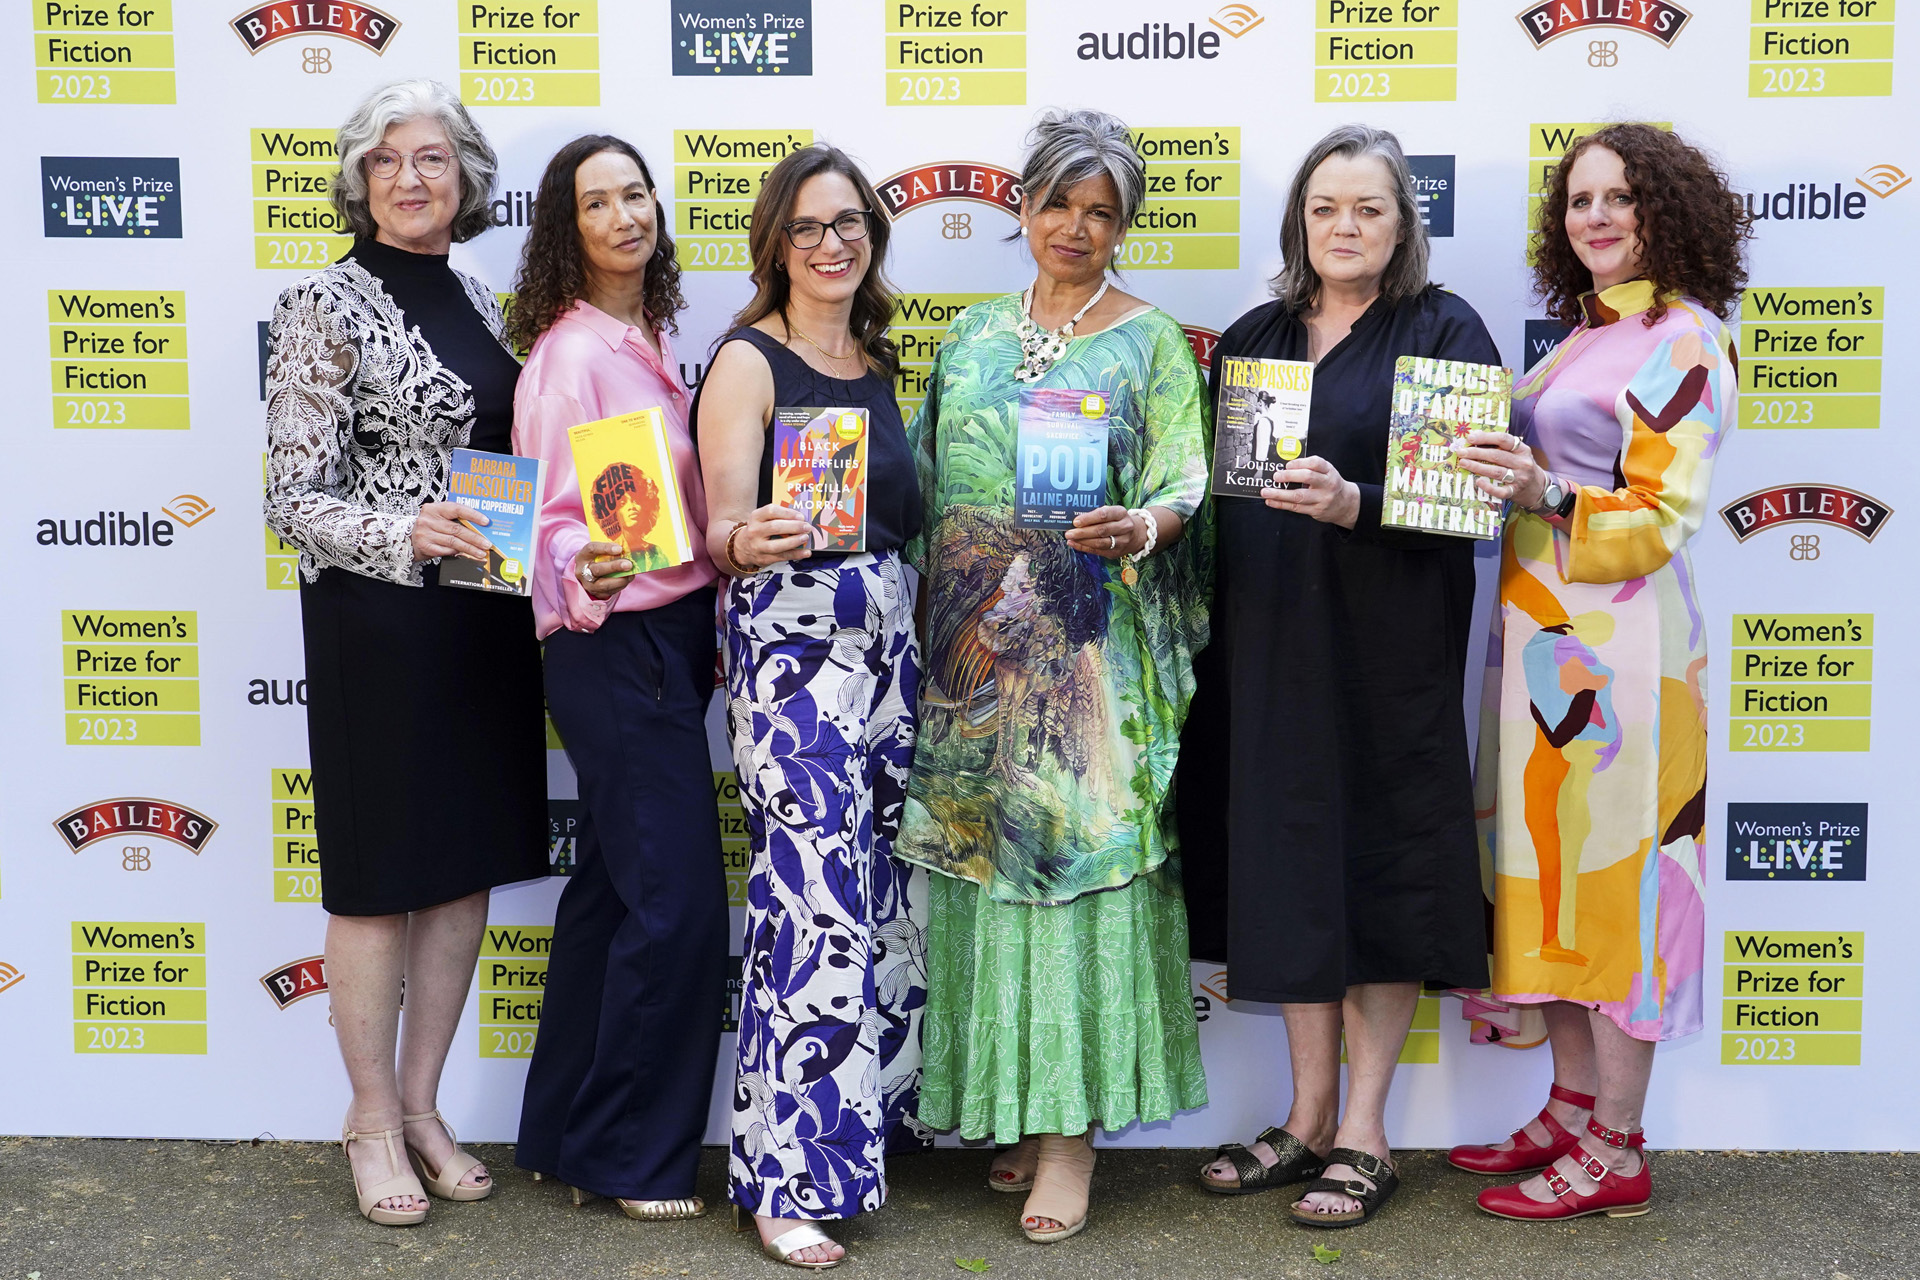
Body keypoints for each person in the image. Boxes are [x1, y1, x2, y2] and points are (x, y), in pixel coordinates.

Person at [896, 107, 1212, 1246]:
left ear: (1124, 223)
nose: (1076, 226)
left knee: (1074, 870)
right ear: (1021, 207)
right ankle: (1018, 1116)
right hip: (976, 652)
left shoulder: (1151, 341)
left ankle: (1071, 1139)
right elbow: (916, 478)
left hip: (1087, 650)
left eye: (1101, 209)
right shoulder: (971, 333)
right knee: (991, 872)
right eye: (1057, 202)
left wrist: (1149, 521)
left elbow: (1186, 474)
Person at [1180, 123, 1498, 1228]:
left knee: (1377, 866)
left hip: (1388, 651)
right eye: (1326, 208)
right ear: (1298, 221)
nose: (1345, 226)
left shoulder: (1446, 328)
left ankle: (1366, 1128)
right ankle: (1304, 1111)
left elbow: (1464, 505)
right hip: (1267, 645)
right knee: (1286, 867)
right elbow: (1220, 495)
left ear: (1403, 222)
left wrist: (1357, 501)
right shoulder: (1258, 334)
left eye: (1369, 208)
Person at [1446, 122, 1748, 1221]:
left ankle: (1618, 1141)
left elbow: (1665, 512)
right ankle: (1571, 1104)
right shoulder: (1583, 336)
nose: (1598, 217)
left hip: (1625, 651)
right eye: (1580, 201)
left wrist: (1543, 492)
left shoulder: (1688, 340)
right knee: (1550, 868)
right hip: (1539, 638)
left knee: (1616, 879)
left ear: (1669, 210)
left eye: (1621, 198)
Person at [262, 78, 546, 1227]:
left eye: (433, 158)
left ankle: (426, 1107)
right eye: (387, 161)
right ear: (360, 180)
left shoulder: (482, 300)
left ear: (466, 178)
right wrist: (403, 529)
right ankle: (370, 1115)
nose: (412, 177)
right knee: (380, 880)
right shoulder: (323, 304)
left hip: (482, 613)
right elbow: (291, 497)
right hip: (378, 622)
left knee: (463, 865)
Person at [693, 144, 926, 1272]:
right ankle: (781, 1179)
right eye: (808, 227)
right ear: (774, 242)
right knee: (809, 898)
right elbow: (714, 530)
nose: (831, 244)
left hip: (885, 645)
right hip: (791, 649)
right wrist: (751, 536)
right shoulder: (748, 360)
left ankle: (854, 1144)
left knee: (872, 891)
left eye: (849, 224)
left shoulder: (877, 361)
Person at [507, 134, 728, 1224]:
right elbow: (542, 527)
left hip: (666, 636)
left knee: (610, 891)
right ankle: (632, 1156)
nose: (626, 215)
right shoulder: (566, 356)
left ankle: (558, 1131)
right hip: (615, 644)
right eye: (598, 203)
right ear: (568, 229)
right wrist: (577, 570)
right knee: (677, 905)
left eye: (636, 193)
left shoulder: (651, 335)